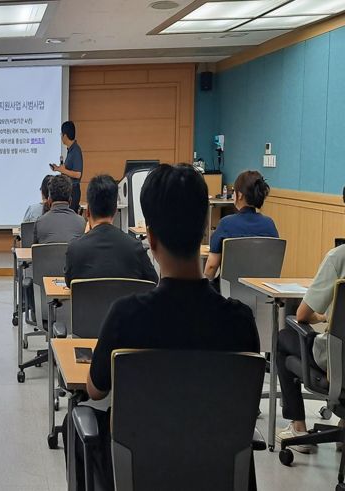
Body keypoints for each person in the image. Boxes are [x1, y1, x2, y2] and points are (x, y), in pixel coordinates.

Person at [72, 164, 260, 490]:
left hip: (140, 471)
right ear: (205, 229)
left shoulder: (126, 316)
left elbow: (95, 389)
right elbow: (245, 405)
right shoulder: (240, 321)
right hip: (214, 471)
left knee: (78, 423)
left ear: (152, 238)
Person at [275, 174, 345, 453]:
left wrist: (323, 318)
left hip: (336, 363)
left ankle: (298, 428)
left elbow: (302, 314)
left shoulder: (340, 257)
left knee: (284, 337)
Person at [65, 175, 158, 286]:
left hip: (90, 304)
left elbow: (69, 283)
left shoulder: (75, 249)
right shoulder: (135, 247)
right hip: (126, 303)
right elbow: (153, 282)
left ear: (87, 211)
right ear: (115, 210)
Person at [205, 170, 279, 280]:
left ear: (239, 195)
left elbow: (211, 266)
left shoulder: (226, 224)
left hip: (228, 291)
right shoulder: (269, 224)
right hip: (261, 292)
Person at [33, 175, 85, 244]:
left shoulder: (40, 223)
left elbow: (34, 252)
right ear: (70, 200)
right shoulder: (81, 223)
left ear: (49, 200)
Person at [51, 121, 83, 212]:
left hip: (74, 190)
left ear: (65, 136)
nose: (61, 137)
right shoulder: (70, 150)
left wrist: (63, 170)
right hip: (69, 189)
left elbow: (77, 174)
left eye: (61, 134)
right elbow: (68, 169)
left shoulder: (76, 150)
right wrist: (58, 168)